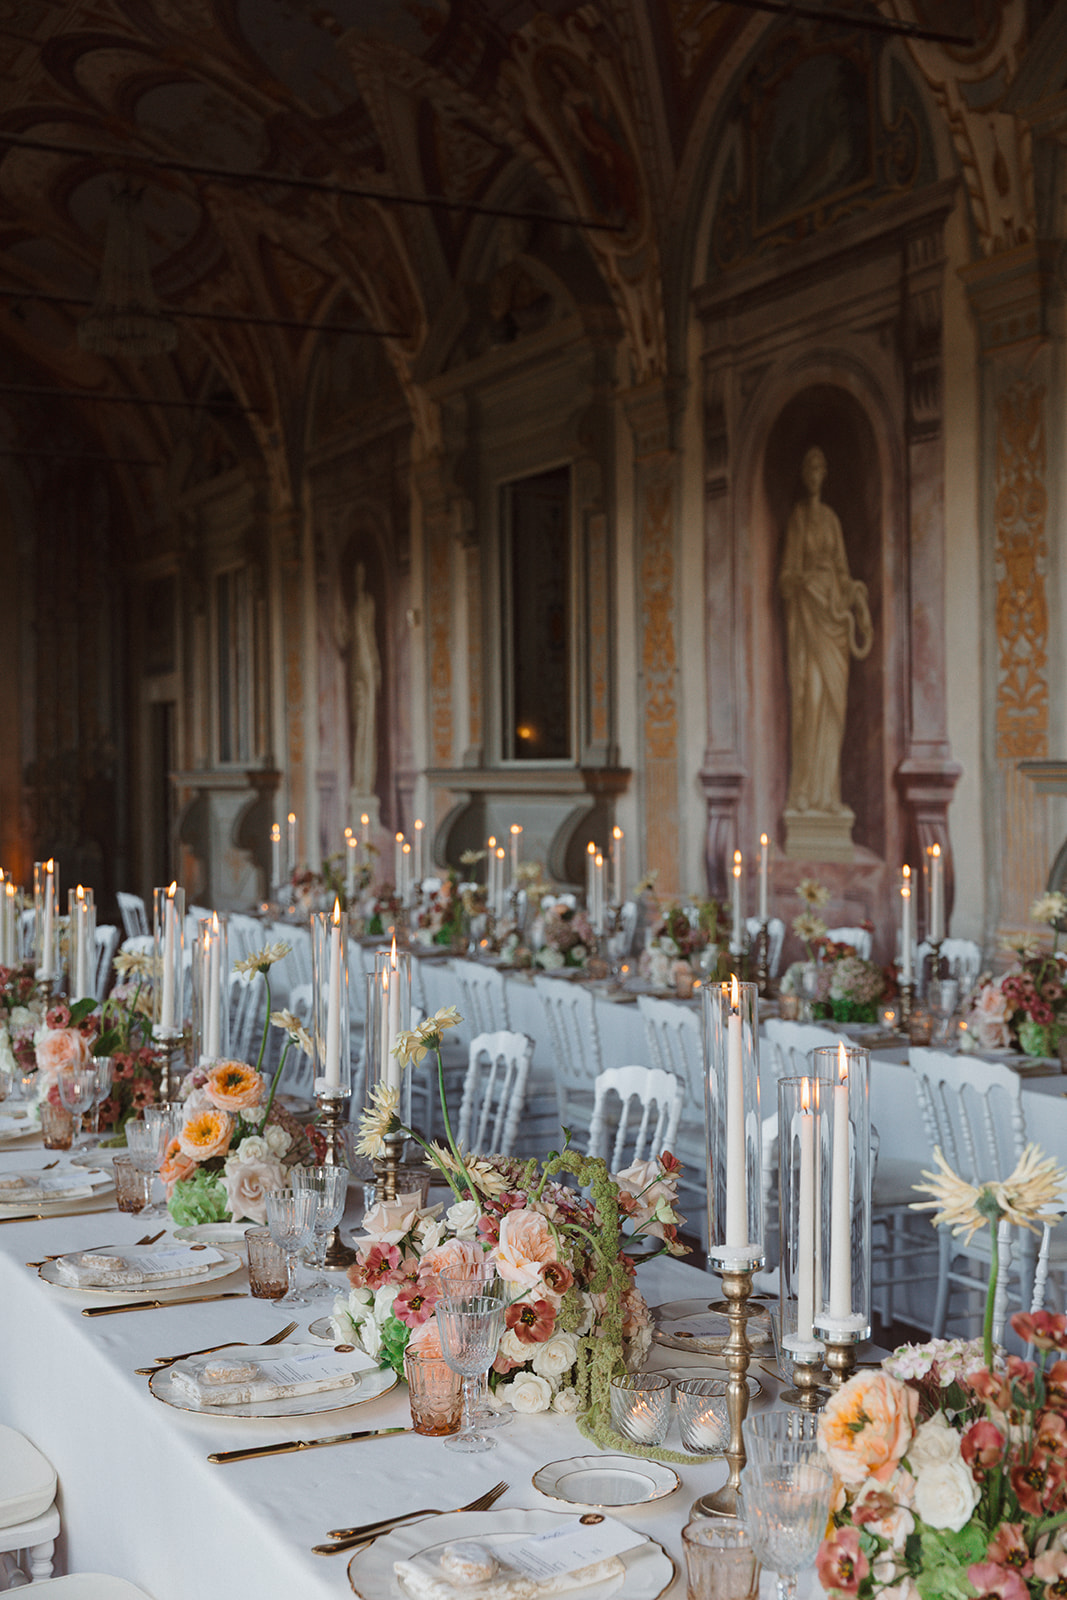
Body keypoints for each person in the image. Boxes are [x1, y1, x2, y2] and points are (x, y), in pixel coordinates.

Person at [779, 446, 873, 815]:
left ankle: (828, 795)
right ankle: (804, 792)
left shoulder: (832, 520)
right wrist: (802, 581)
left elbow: (844, 574)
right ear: (805, 474)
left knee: (835, 709)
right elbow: (785, 578)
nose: (815, 473)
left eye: (821, 467)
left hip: (834, 619)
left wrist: (858, 602)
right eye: (810, 467)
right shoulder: (798, 519)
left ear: (825, 473)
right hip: (807, 619)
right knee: (811, 701)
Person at [334, 561, 381, 798]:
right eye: (356, 575)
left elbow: (370, 640)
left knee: (368, 725)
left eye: (362, 574)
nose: (359, 579)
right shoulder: (351, 607)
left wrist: (376, 668)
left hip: (367, 666)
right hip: (355, 667)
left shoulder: (368, 603)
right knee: (359, 724)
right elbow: (344, 640)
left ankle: (366, 780)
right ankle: (360, 781)